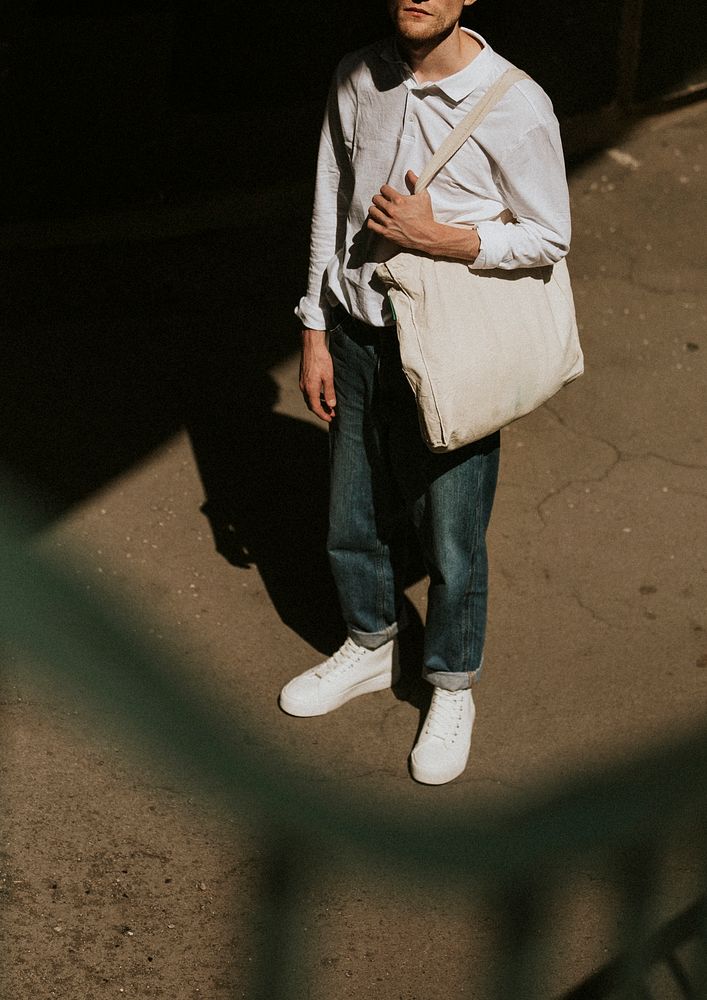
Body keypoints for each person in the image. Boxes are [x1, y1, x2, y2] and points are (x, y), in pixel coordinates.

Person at [278, 0, 571, 784]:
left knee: (450, 535)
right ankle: (371, 645)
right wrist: (314, 328)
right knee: (352, 513)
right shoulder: (358, 76)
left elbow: (548, 235)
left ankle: (449, 683)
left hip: (451, 348)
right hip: (357, 335)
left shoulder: (517, 103)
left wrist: (437, 236)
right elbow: (330, 202)